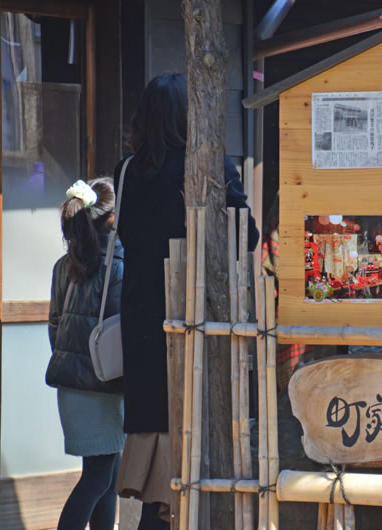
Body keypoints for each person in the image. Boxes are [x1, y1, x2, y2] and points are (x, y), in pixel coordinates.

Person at [113, 73, 259, 529]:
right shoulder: (205, 168)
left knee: (158, 474)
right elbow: (246, 236)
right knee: (192, 463)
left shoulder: (128, 172)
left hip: (142, 326)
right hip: (193, 321)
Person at [47, 177, 125, 530]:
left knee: (104, 478)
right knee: (98, 479)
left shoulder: (65, 265)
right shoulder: (119, 262)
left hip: (73, 388)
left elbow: (54, 326)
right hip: (105, 387)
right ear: (111, 218)